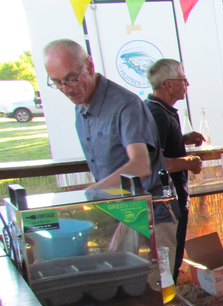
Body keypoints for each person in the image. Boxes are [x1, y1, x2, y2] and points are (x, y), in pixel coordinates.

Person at [43, 39, 181, 275]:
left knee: (155, 296)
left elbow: (140, 164)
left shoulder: (125, 104)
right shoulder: (81, 106)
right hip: (117, 215)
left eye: (72, 79)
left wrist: (89, 194)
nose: (66, 89)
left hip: (149, 217)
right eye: (57, 83)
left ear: (89, 64)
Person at [145, 59, 205, 282]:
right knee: (168, 257)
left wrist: (183, 139)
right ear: (168, 84)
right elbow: (155, 161)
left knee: (173, 254)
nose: (187, 83)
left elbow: (160, 145)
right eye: (183, 79)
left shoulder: (164, 111)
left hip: (173, 197)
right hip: (164, 202)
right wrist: (189, 163)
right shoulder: (157, 114)